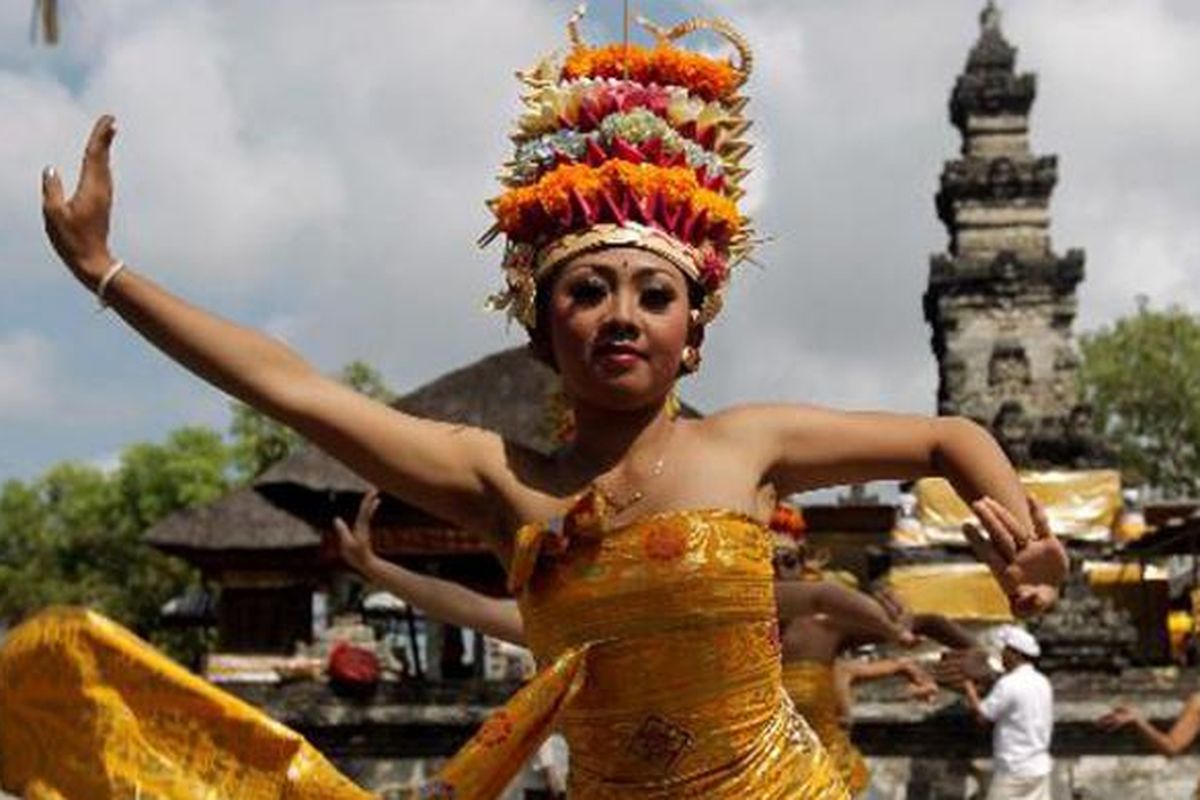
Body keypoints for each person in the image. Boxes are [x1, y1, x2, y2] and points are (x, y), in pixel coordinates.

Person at [29, 7, 1066, 799]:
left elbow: (949, 433)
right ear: (541, 329)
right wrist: (108, 272)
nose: (622, 315)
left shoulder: (749, 445)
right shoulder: (504, 482)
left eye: (654, 295)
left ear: (692, 334)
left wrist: (1020, 542)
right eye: (587, 290)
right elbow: (293, 389)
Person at [963, 626, 1054, 800]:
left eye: (1005, 651)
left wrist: (969, 688)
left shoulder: (1009, 684)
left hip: (1015, 768)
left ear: (1016, 654)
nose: (1002, 656)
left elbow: (983, 716)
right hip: (1039, 766)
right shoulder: (1043, 682)